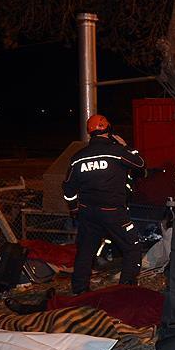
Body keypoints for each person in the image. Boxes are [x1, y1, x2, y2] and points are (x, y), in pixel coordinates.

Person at [63, 114, 145, 295]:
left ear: (89, 133)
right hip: (114, 212)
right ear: (109, 130)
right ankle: (126, 290)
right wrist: (126, 146)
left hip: (87, 213)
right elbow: (140, 164)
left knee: (85, 251)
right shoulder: (117, 151)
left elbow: (68, 189)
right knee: (132, 247)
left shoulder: (78, 157)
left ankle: (79, 290)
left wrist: (74, 209)